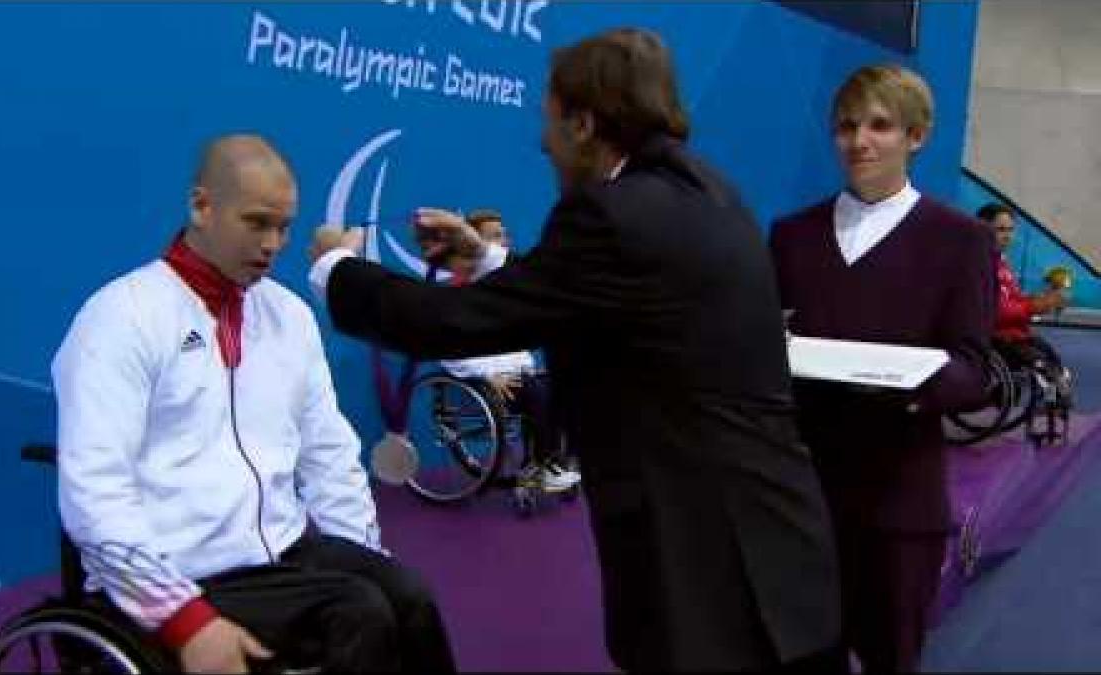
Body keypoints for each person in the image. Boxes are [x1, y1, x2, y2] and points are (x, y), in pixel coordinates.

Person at [310, 28, 841, 673]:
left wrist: (337, 269)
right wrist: (484, 259)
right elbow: (606, 294)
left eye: (550, 120)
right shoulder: (707, 194)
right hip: (779, 548)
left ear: (585, 123)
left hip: (702, 566)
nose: (542, 141)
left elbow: (451, 322)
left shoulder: (611, 215)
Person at [52, 134, 456, 674]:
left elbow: (328, 454)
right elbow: (94, 491)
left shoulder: (288, 316)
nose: (273, 243)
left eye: (285, 228)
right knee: (360, 614)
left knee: (406, 594)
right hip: (180, 572)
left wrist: (365, 556)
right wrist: (184, 619)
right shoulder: (121, 317)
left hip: (279, 560)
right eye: (257, 222)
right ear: (201, 206)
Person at [769, 64, 997, 672]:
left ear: (916, 137)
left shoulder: (959, 241)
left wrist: (905, 381)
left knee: (891, 660)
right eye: (847, 126)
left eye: (879, 126)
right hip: (803, 502)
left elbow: (975, 369)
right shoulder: (792, 236)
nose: (859, 141)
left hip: (899, 503)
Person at [440, 209, 579, 491]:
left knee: (561, 383)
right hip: (483, 384)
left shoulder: (507, 288)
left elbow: (515, 341)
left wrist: (525, 365)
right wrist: (487, 375)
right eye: (495, 237)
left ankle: (552, 460)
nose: (504, 242)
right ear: (472, 241)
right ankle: (543, 465)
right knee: (535, 389)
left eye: (505, 236)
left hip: (517, 377)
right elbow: (447, 349)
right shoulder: (454, 293)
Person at [977, 202, 1068, 373]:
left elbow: (1014, 299)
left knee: (1054, 362)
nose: (1008, 236)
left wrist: (1042, 300)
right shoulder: (978, 264)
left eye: (1011, 230)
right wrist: (1034, 306)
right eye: (1001, 229)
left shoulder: (1000, 262)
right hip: (994, 338)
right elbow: (997, 311)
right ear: (981, 230)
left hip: (1014, 335)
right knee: (1044, 367)